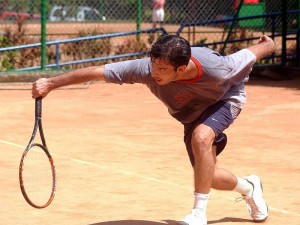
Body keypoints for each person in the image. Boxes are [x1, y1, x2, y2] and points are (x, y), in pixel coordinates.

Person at [31, 34, 276, 225]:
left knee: (202, 137)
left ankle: (197, 213)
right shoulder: (146, 69)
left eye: (162, 70)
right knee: (207, 176)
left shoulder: (217, 67)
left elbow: (250, 53)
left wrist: (269, 44)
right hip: (191, 114)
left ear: (181, 69)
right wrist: (51, 83)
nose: (154, 73)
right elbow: (99, 71)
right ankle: (249, 187)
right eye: (154, 65)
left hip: (224, 101)